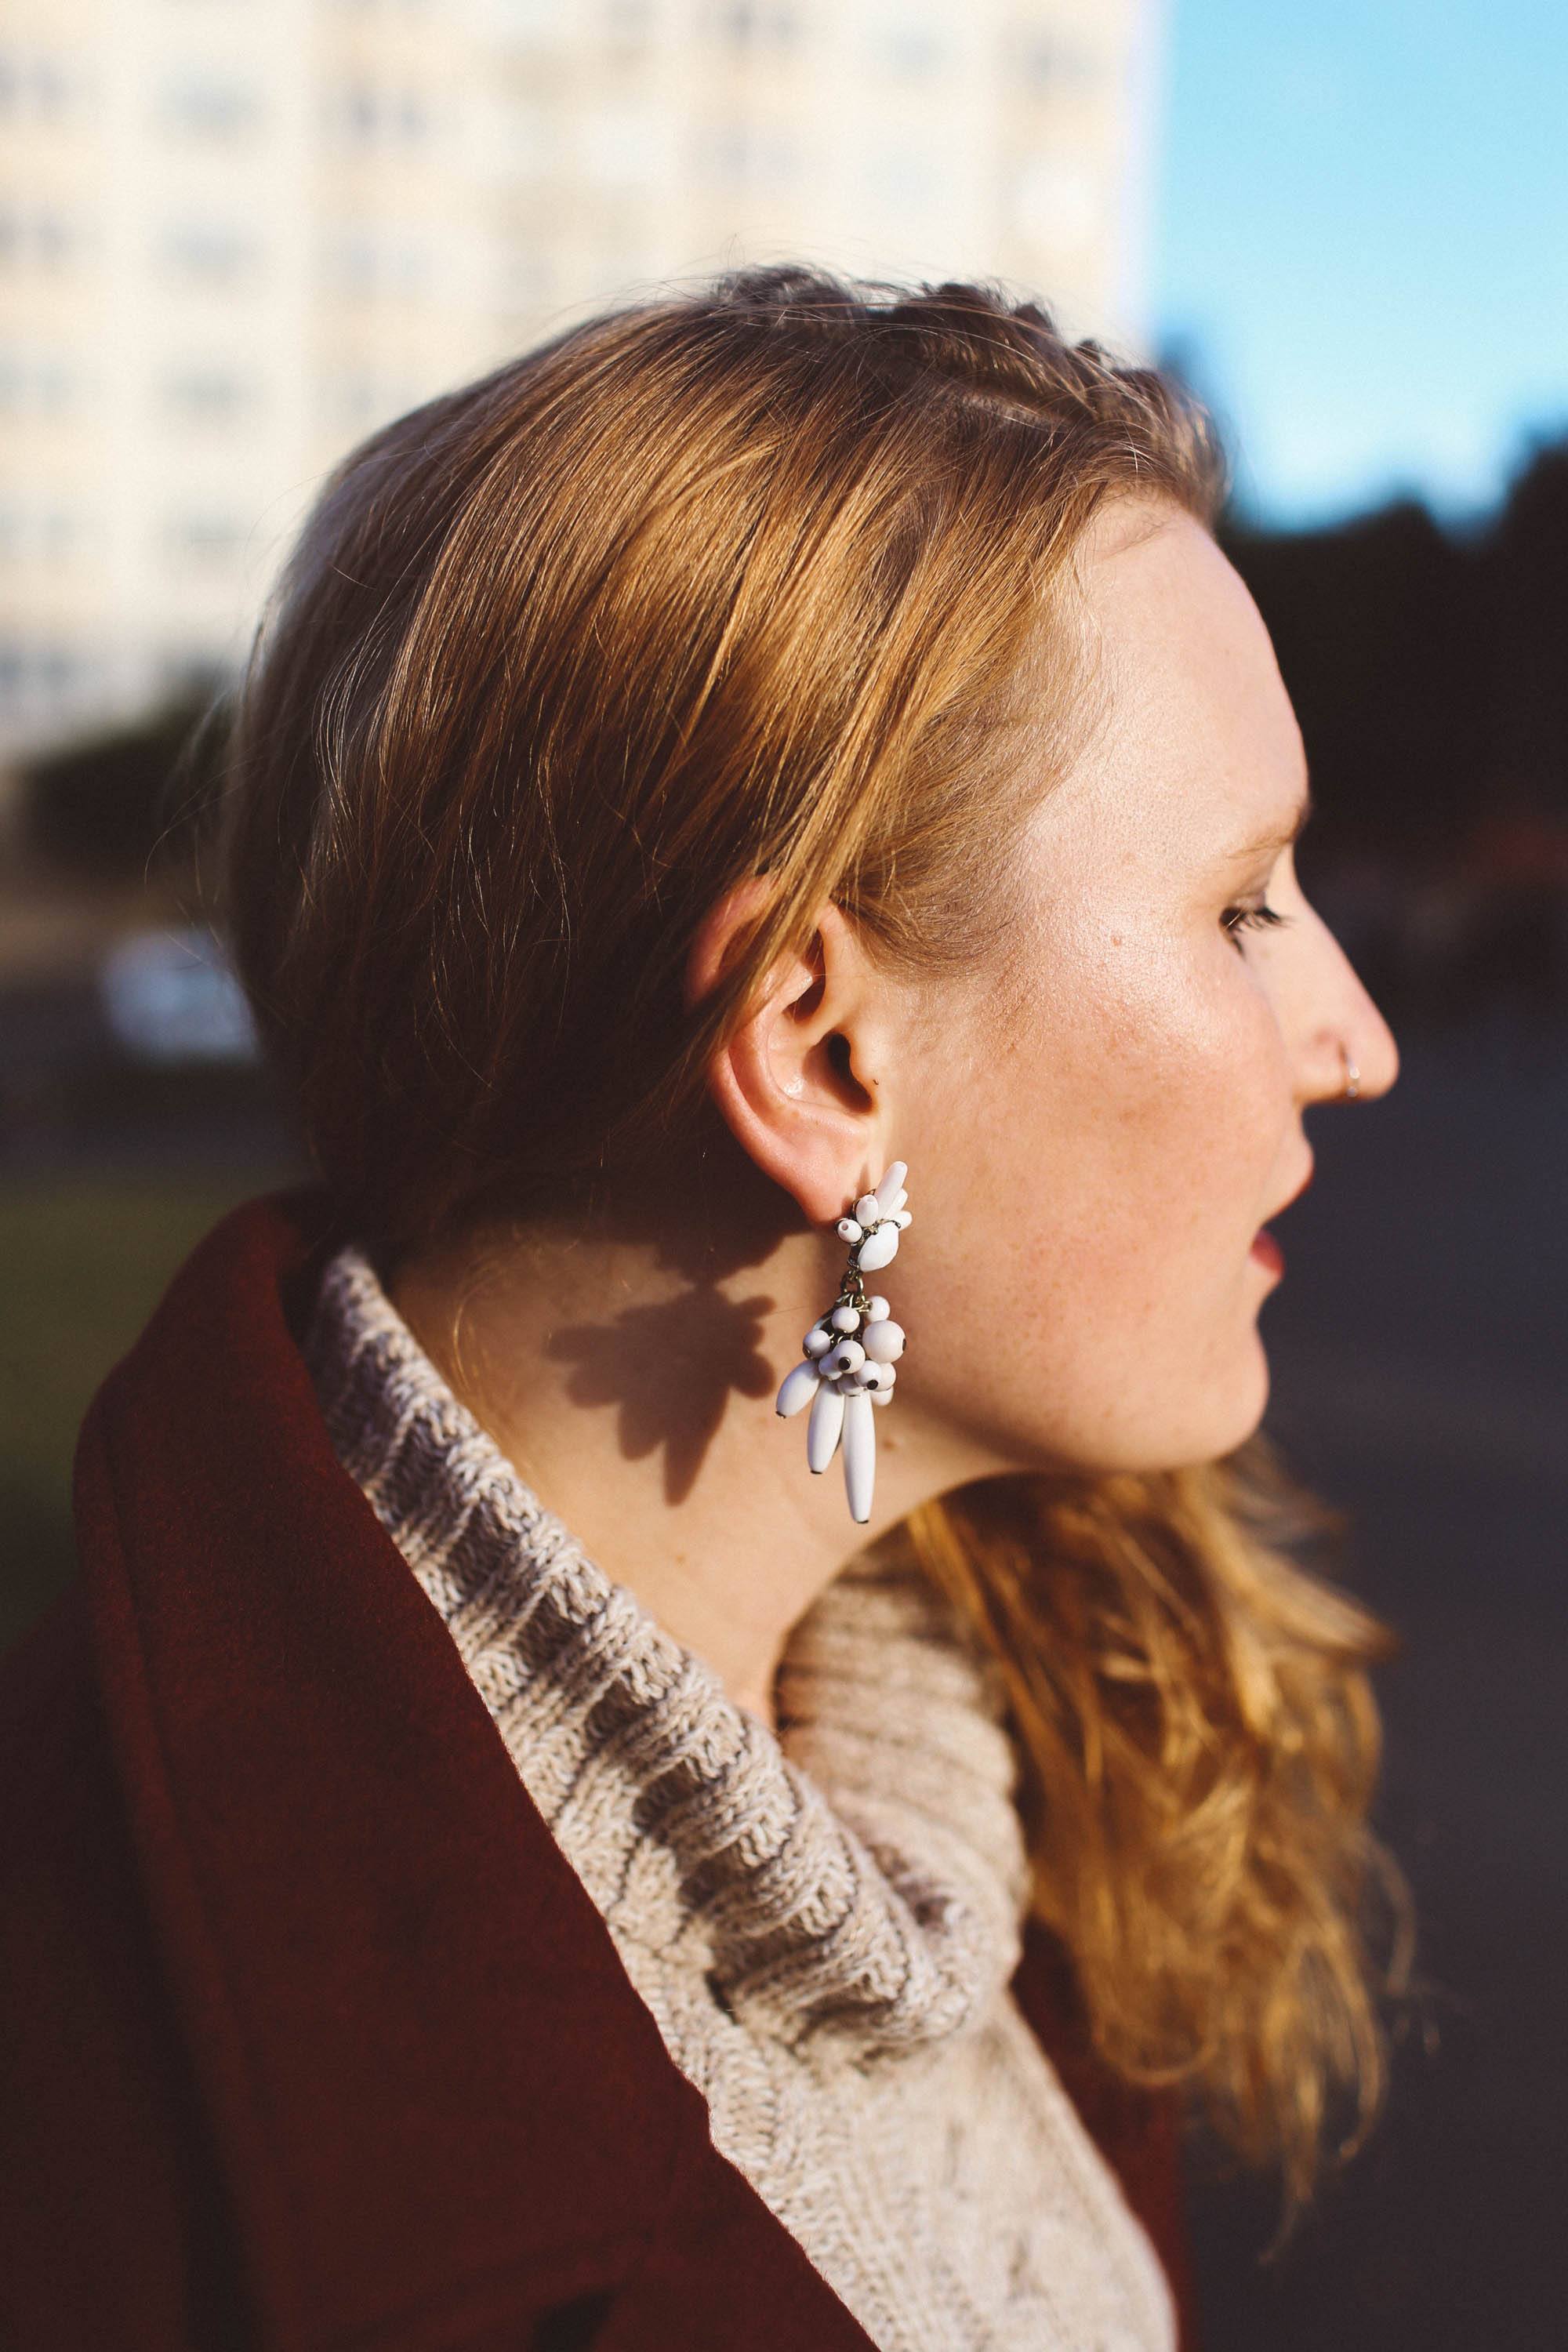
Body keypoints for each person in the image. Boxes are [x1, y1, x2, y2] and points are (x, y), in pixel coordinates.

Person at [0, 267, 1408, 2352]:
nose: (1355, 1039)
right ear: (827, 1056)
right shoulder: (108, 2139)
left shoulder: (1015, 1765)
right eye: (1239, 906)